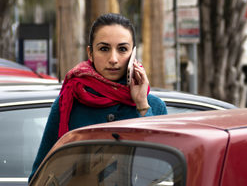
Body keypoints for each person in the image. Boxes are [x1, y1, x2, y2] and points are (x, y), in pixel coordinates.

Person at [28, 13, 167, 182]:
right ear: (90, 53)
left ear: (133, 54)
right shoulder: (69, 101)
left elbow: (157, 174)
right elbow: (39, 176)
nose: (113, 59)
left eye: (122, 49)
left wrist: (142, 105)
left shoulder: (153, 106)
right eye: (104, 49)